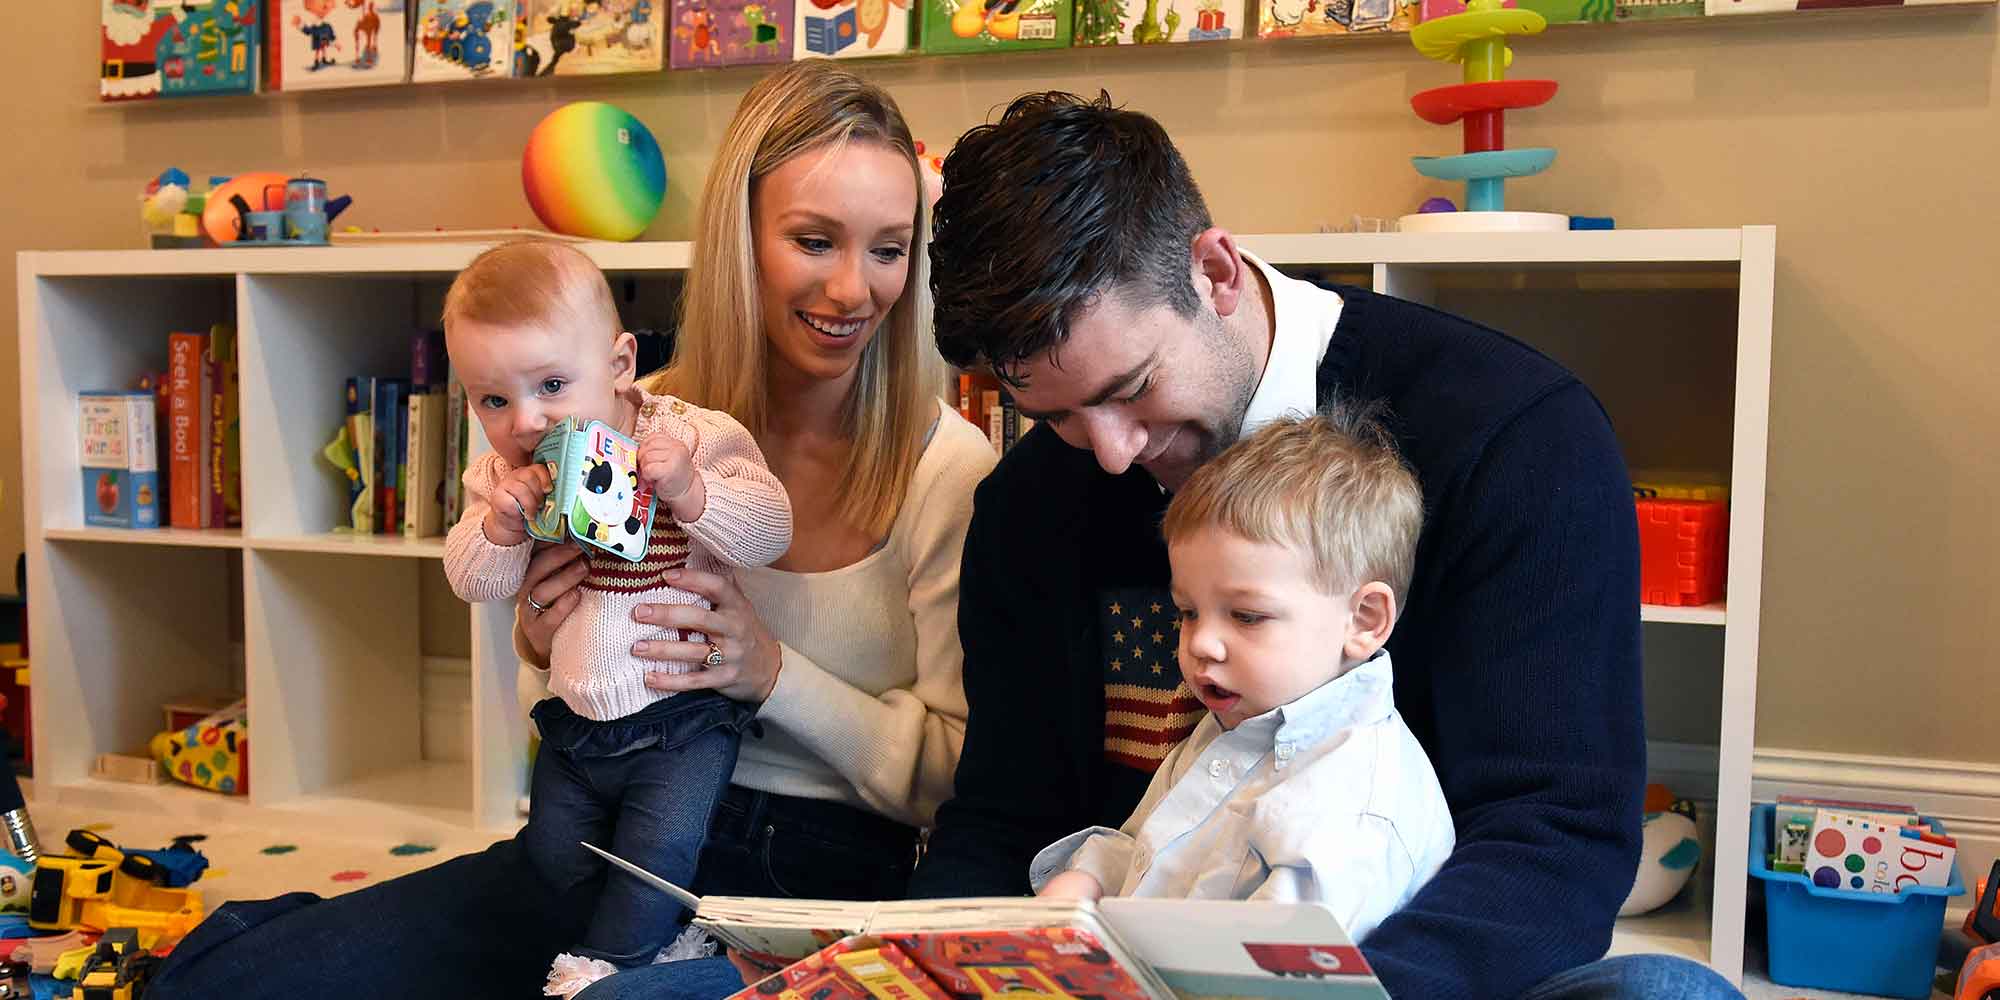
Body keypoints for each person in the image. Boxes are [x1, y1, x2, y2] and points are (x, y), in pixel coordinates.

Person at [146, 60, 993, 1000]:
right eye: (813, 240)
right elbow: (555, 680)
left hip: (802, 888)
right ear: (739, 242)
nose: (850, 289)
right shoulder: (625, 421)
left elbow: (959, 781)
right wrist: (537, 640)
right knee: (224, 987)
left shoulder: (946, 467)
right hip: (594, 834)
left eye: (887, 250)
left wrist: (771, 674)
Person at [910, 91, 1743, 1000]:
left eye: (1134, 387)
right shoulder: (1031, 503)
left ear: (1216, 271)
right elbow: (1004, 816)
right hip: (1123, 968)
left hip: (1413, 979)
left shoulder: (1515, 438)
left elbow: (1554, 838)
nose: (1110, 452)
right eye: (1056, 414)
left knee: (1669, 992)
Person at [439, 241, 793, 994]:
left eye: (553, 385)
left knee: (661, 847)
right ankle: (635, 946)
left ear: (621, 363)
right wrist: (497, 531)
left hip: (684, 717)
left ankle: (617, 966)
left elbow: (770, 530)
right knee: (554, 857)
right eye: (493, 400)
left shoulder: (687, 434)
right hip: (577, 724)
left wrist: (694, 492)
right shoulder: (501, 477)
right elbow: (471, 579)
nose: (526, 421)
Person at [1031, 408, 1454, 945]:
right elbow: (1149, 853)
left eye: (1247, 616)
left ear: (1364, 620)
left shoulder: (1349, 811)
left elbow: (1272, 977)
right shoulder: (1237, 722)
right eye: (1187, 612)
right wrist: (1086, 879)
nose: (1201, 643)